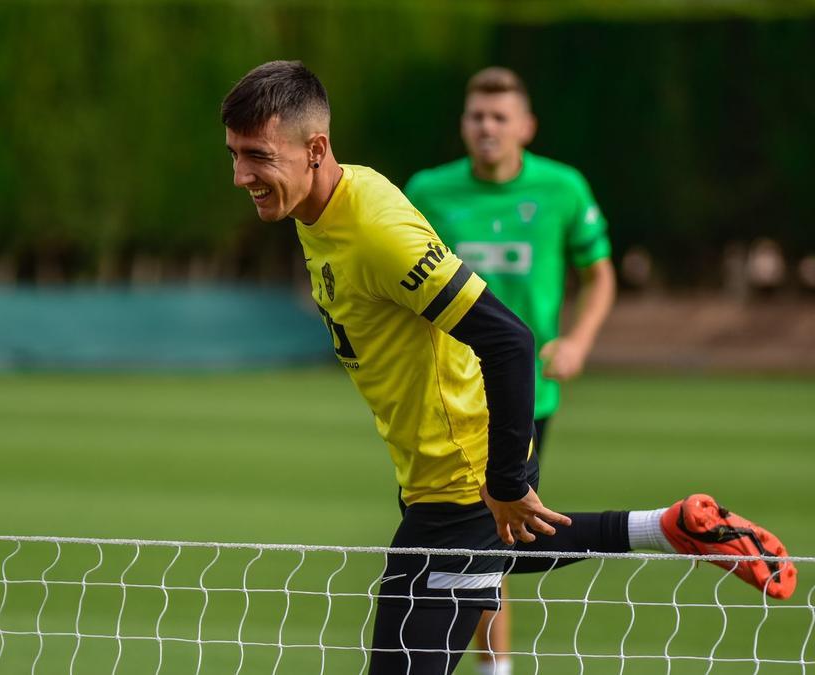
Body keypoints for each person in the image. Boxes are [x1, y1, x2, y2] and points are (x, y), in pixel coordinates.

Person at [220, 60, 795, 675]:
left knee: (457, 580)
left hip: (457, 480)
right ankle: (670, 527)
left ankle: (663, 529)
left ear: (316, 149)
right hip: (437, 479)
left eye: (257, 156)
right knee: (496, 549)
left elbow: (510, 341)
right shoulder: (326, 203)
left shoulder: (377, 231)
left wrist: (507, 480)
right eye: (233, 154)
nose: (240, 175)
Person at [403, 66, 617, 674]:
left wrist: (577, 340)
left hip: (527, 396)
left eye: (500, 117)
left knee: (498, 529)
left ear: (526, 126)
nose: (487, 127)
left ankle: (493, 668)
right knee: (479, 532)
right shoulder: (428, 190)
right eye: (476, 116)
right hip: (448, 394)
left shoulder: (562, 187)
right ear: (463, 125)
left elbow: (599, 273)